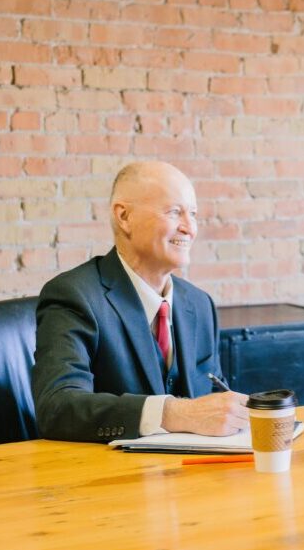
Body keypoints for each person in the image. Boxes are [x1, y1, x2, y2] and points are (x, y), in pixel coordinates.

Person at [32, 161, 248, 442]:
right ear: (124, 217)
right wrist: (174, 413)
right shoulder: (74, 295)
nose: (189, 228)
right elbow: (57, 409)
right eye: (174, 212)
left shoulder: (199, 304)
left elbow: (212, 399)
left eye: (193, 214)